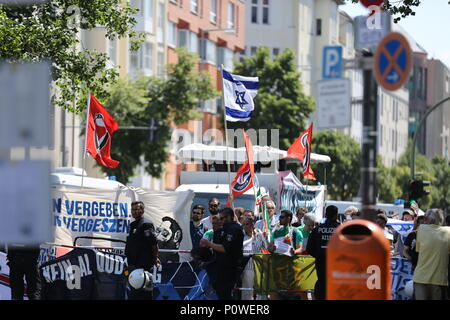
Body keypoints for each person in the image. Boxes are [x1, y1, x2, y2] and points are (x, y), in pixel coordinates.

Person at [200, 207, 244, 300]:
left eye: (222, 218)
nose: (220, 221)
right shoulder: (224, 229)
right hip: (220, 267)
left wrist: (208, 243)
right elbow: (217, 244)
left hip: (229, 268)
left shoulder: (234, 229)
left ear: (229, 217)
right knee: (219, 293)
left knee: (225, 294)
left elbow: (225, 248)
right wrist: (216, 228)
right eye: (219, 218)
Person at [125, 201, 160, 300]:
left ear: (142, 210)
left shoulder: (146, 224)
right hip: (133, 265)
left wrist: (155, 258)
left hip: (143, 265)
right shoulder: (132, 225)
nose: (135, 211)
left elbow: (154, 244)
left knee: (144, 293)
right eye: (133, 209)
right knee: (133, 292)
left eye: (137, 209)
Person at [413, 208, 450, 300]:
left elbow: (418, 250)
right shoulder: (449, 232)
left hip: (420, 278)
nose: (424, 220)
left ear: (431, 220)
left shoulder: (421, 229)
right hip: (439, 280)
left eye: (425, 218)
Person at [306, 205, 340, 300]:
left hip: (321, 263)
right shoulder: (341, 229)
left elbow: (309, 248)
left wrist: (319, 255)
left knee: (321, 284)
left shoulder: (317, 229)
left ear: (326, 214)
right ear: (336, 215)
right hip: (337, 263)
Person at [241, 215, 268, 300]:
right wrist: (251, 239)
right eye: (244, 224)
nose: (245, 226)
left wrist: (266, 238)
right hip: (247, 267)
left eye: (247, 224)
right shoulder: (241, 235)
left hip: (259, 266)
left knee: (261, 290)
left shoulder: (259, 234)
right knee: (247, 291)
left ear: (253, 225)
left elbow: (265, 247)